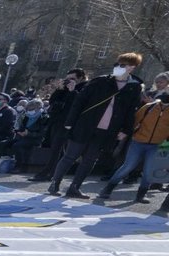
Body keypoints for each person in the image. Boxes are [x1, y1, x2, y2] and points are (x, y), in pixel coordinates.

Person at [49, 53, 146, 199]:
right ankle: (55, 183)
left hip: (107, 130)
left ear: (131, 68)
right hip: (85, 125)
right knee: (70, 156)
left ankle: (75, 187)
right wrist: (70, 122)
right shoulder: (101, 81)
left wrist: (126, 130)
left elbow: (131, 110)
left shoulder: (134, 87)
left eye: (123, 65)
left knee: (90, 160)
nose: (118, 67)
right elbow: (79, 101)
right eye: (118, 64)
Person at [98, 93, 169, 202]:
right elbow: (134, 120)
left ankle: (141, 195)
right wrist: (126, 132)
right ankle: (107, 189)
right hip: (138, 142)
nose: (163, 105)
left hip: (156, 145)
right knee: (127, 166)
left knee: (148, 171)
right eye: (162, 102)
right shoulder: (148, 107)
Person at [6, 99, 49, 173]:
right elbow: (22, 127)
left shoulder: (44, 117)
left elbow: (42, 133)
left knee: (17, 145)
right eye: (28, 109)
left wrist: (28, 134)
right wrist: (18, 131)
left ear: (38, 108)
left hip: (35, 139)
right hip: (23, 136)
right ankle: (4, 163)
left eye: (31, 109)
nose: (29, 111)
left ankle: (19, 166)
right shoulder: (27, 116)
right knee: (5, 143)